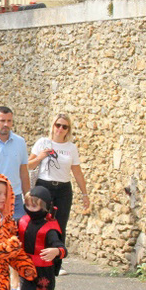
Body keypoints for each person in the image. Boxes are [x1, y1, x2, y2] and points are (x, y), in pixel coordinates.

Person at [28, 113, 90, 274]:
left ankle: (57, 263)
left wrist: (85, 194)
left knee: (60, 225)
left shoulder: (71, 148)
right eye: (58, 125)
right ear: (53, 125)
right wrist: (41, 156)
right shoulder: (43, 143)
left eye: (64, 126)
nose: (60, 129)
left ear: (68, 129)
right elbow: (28, 165)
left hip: (63, 188)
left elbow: (77, 172)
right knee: (40, 222)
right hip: (44, 186)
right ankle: (37, 258)